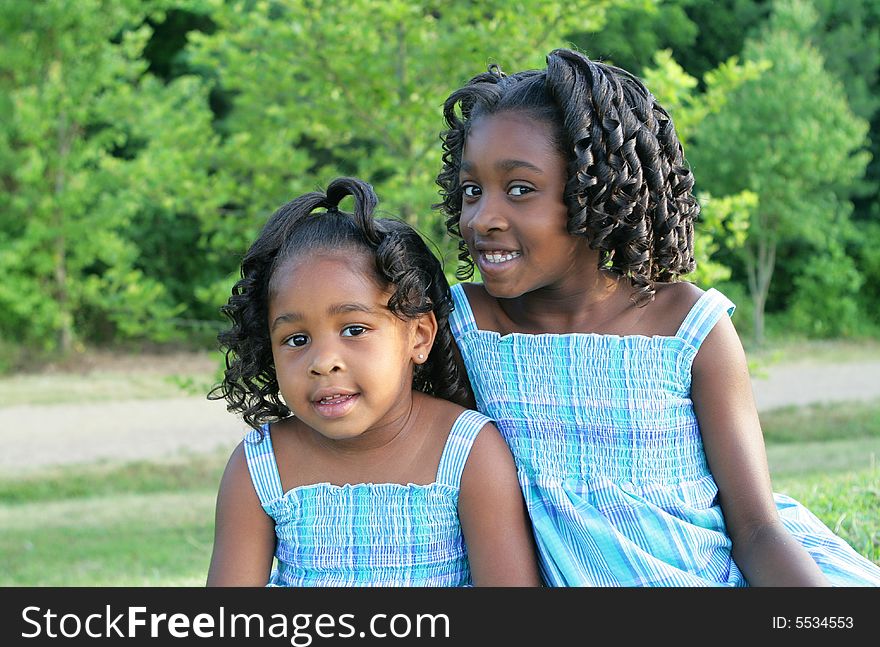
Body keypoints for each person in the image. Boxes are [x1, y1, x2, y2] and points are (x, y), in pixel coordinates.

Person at [434, 47, 880, 586]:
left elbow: (757, 527)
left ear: (593, 191)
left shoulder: (689, 325)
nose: (483, 217)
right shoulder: (459, 325)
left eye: (520, 189)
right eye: (471, 191)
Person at [206, 176, 541, 587]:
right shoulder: (261, 466)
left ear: (418, 336)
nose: (323, 362)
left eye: (354, 330)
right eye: (296, 339)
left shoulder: (466, 451)